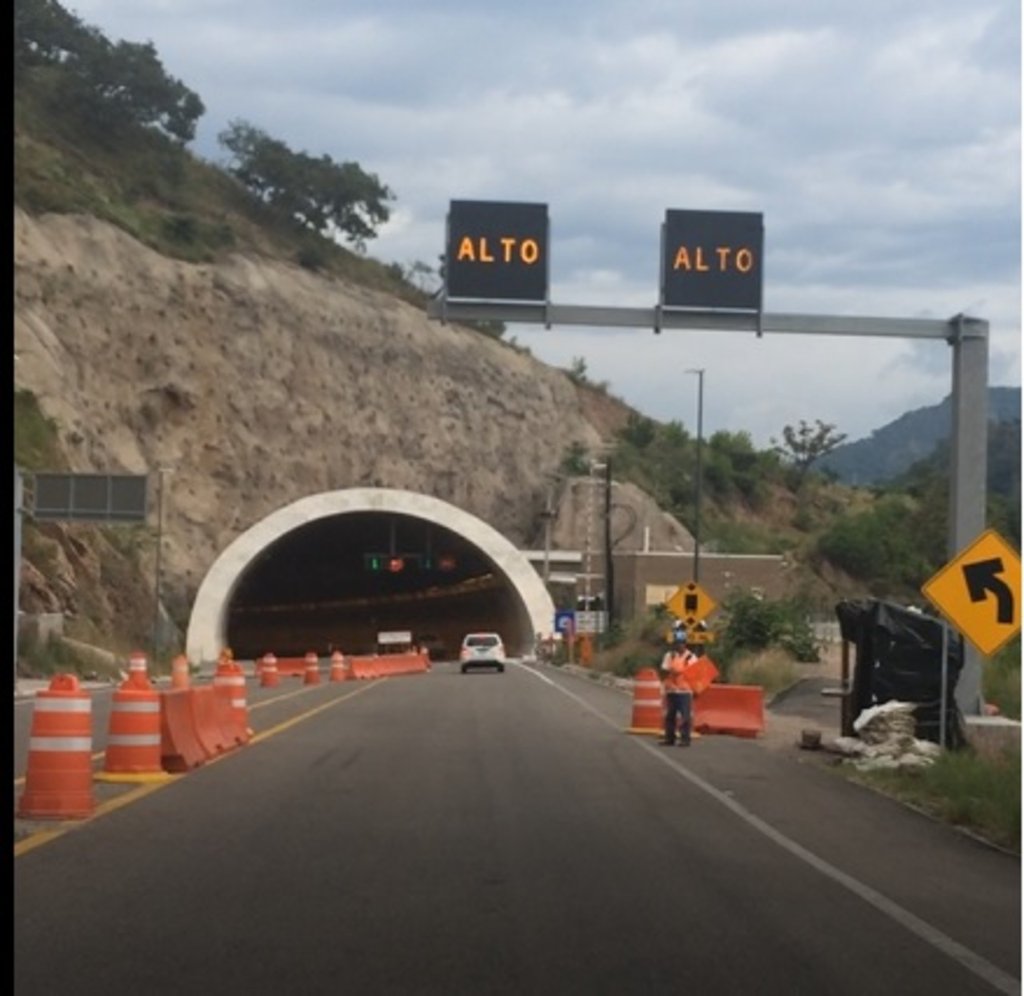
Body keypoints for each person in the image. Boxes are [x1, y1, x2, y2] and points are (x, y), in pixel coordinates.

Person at [660, 630, 697, 746]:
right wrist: (670, 673)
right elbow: (664, 670)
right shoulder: (669, 655)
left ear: (685, 644)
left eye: (681, 643)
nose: (678, 645)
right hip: (671, 690)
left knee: (685, 716)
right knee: (670, 715)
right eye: (676, 643)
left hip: (684, 691)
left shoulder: (691, 657)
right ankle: (669, 738)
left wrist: (680, 672)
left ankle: (685, 739)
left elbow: (695, 673)